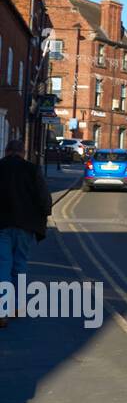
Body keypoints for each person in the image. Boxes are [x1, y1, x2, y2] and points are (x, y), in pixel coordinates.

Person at [0, 138, 52, 327]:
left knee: (3, 266)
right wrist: (44, 214)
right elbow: (44, 198)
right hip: (26, 226)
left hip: (2, 226)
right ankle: (15, 307)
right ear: (23, 152)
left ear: (6, 151)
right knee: (19, 265)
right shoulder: (32, 170)